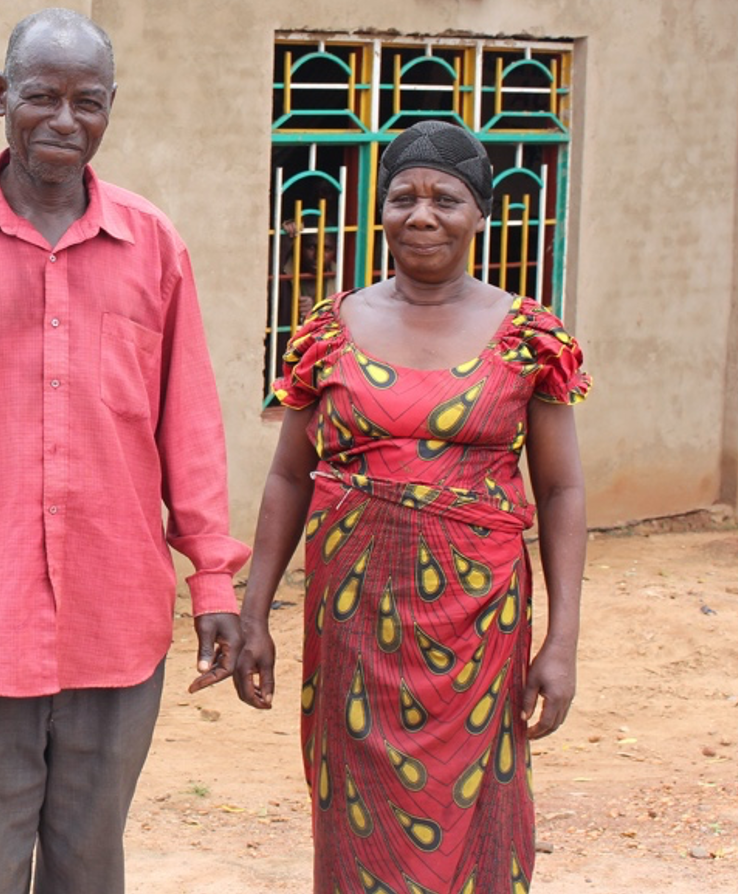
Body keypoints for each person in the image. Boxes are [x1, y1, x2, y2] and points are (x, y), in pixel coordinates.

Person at [0, 7, 250, 894]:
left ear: (109, 109)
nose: (65, 122)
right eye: (42, 97)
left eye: (87, 102)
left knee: (89, 869)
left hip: (117, 616)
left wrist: (214, 576)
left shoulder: (155, 247)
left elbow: (192, 430)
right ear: (0, 97)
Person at [233, 120, 589, 894]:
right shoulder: (329, 330)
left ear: (481, 214)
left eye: (446, 199)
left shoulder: (527, 335)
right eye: (403, 197)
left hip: (481, 626)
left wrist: (560, 643)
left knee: (477, 801)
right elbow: (289, 477)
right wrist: (254, 613)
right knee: (356, 805)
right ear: (382, 212)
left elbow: (561, 490)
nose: (422, 214)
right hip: (353, 623)